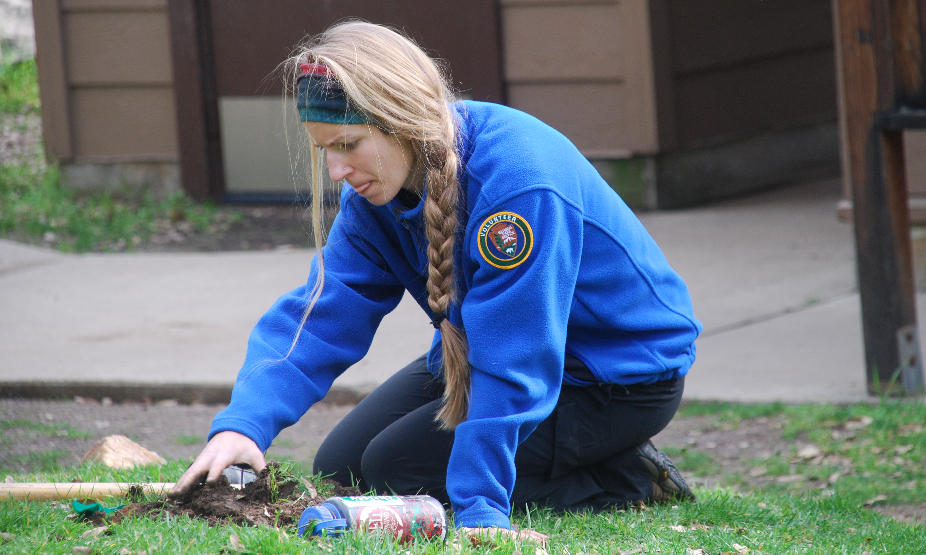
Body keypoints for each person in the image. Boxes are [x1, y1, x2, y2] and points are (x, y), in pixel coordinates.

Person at [171, 21, 702, 539]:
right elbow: (323, 315)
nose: (335, 171)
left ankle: (622, 475)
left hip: (614, 379)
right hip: (485, 352)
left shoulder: (518, 186)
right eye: (324, 149)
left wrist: (481, 512)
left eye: (349, 144)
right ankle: (569, 461)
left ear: (400, 120)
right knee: (343, 469)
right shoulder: (375, 199)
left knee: (395, 471)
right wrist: (244, 424)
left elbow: (516, 358)